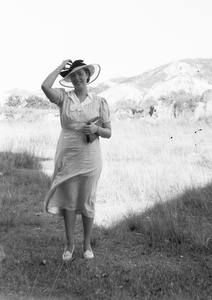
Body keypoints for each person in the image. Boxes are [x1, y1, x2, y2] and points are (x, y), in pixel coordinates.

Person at [41, 59, 111, 261]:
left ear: (88, 76)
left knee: (88, 199)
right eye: (73, 75)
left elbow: (108, 132)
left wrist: (97, 129)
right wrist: (61, 64)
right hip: (67, 156)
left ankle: (87, 245)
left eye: (81, 73)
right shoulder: (64, 98)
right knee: (69, 200)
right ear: (70, 79)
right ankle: (69, 244)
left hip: (90, 157)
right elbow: (45, 86)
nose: (77, 77)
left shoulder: (99, 101)